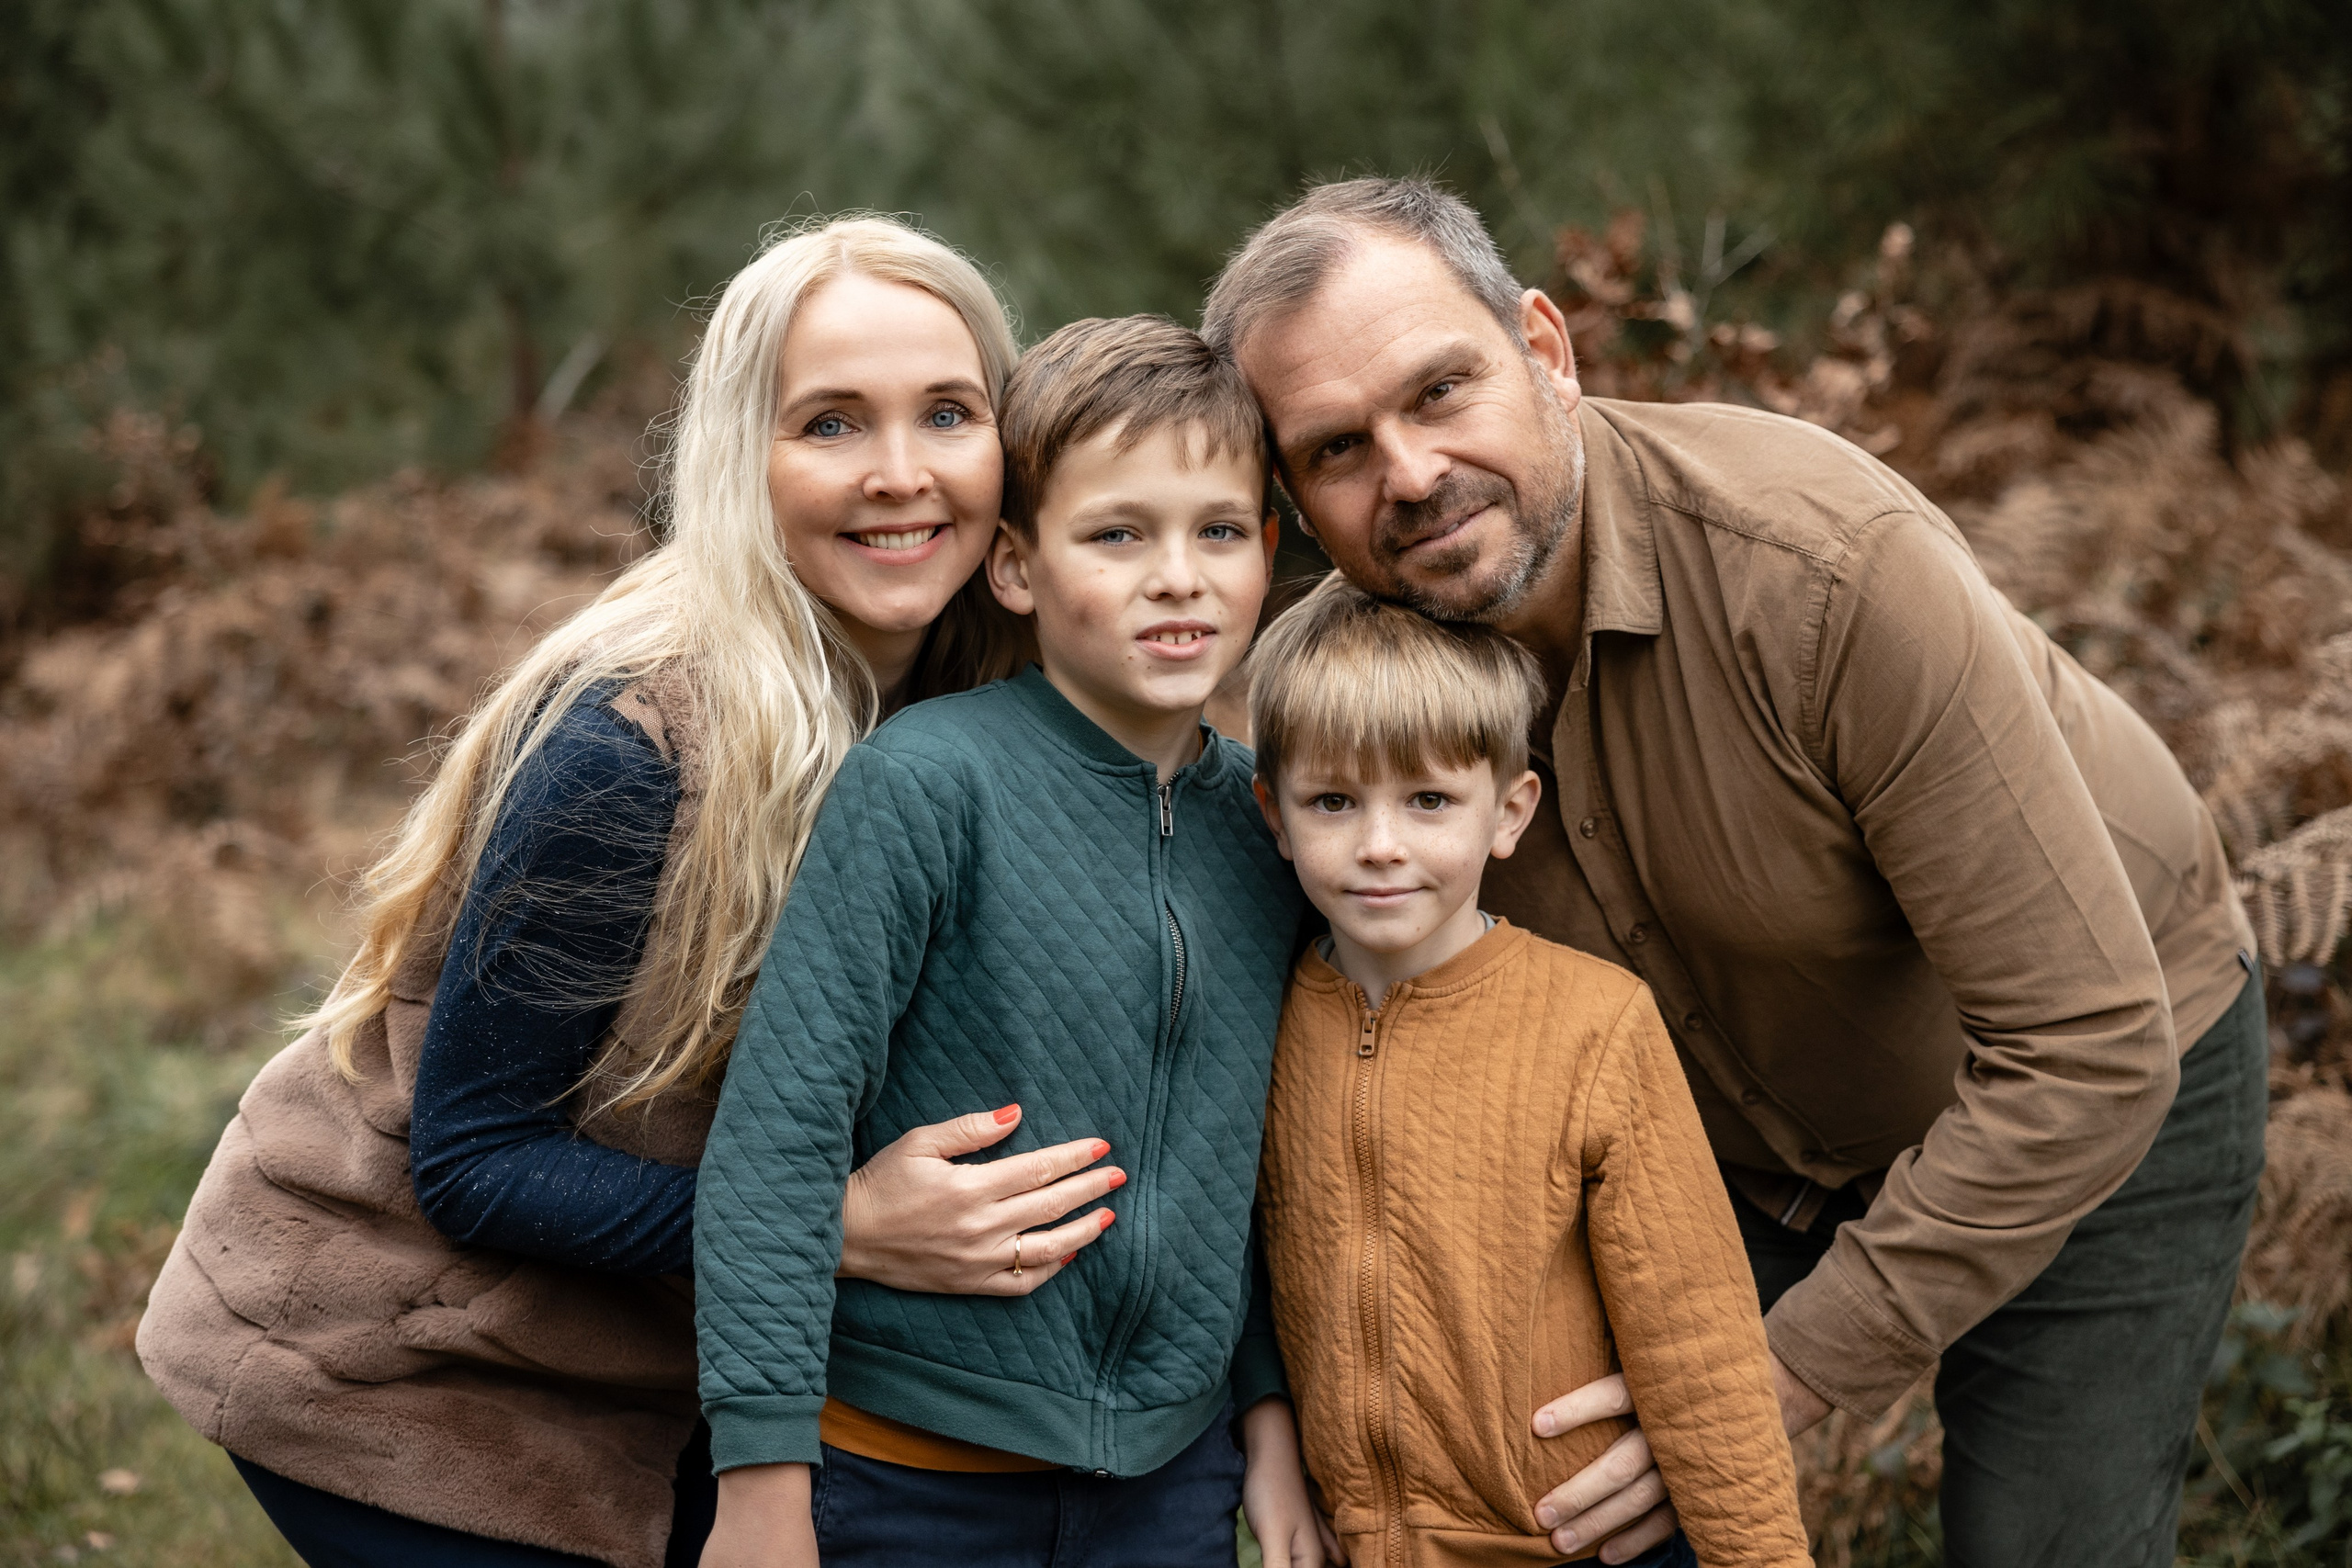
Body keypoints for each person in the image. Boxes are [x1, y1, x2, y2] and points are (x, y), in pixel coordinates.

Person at [1202, 178, 2267, 1568]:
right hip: (1732, 1157)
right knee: (1570, 1488)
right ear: (1293, 501)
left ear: (1545, 348)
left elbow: (2089, 1043)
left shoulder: (1822, 571)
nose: (1408, 474)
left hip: (2095, 1067)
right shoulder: (1334, 706)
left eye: (1441, 391)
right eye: (1337, 449)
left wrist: (1771, 1377)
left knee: (2044, 1543)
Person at [136, 216, 1130, 1568]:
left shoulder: (978, 698)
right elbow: (474, 1159)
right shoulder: (629, 751)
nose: (901, 473)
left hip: (655, 1359)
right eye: (830, 423)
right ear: (738, 457)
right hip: (390, 1360)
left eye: (947, 413)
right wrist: (836, 1227)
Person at [692, 314, 1328, 1568]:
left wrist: (1265, 1423)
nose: (1177, 577)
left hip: (1168, 1482)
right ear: (1017, 567)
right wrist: (760, 1481)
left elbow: (1247, 1177)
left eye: (1216, 531)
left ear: (1266, 549)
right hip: (906, 1470)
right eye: (1117, 535)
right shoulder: (927, 784)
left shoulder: (1272, 828)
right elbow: (777, 1144)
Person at [1245, 578, 1809, 1568]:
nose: (1380, 846)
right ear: (1275, 815)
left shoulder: (1596, 1023)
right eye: (1333, 801)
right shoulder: (1262, 1020)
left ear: (1509, 812)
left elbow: (1697, 1345)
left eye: (1429, 800)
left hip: (1582, 1546)